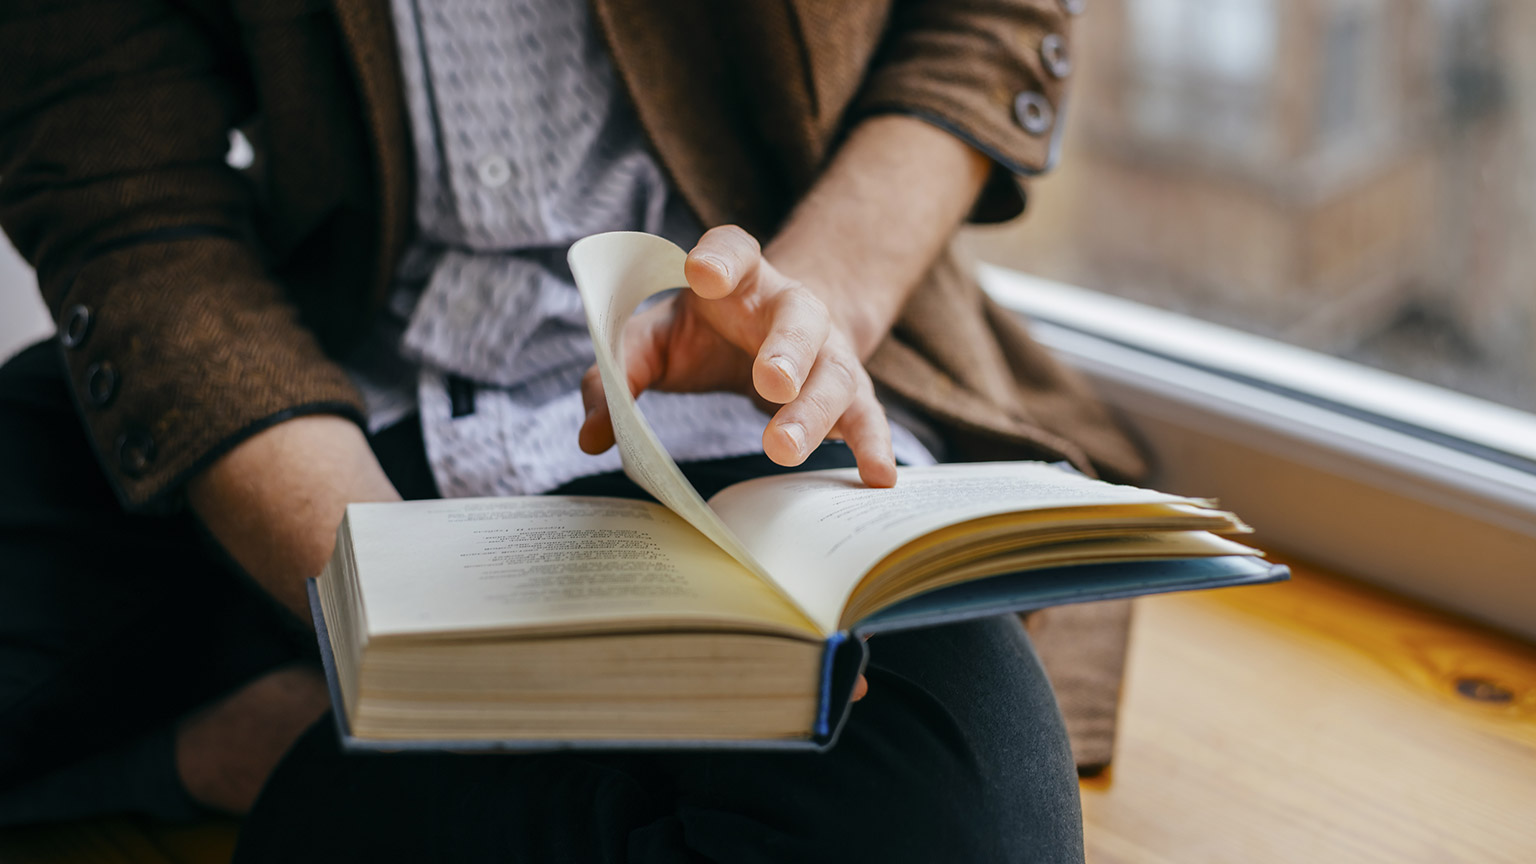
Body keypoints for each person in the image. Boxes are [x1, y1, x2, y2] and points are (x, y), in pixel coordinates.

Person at [0, 0, 1145, 860]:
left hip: (737, 395)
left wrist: (814, 304)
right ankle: (278, 748)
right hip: (312, 393)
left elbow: (981, 16)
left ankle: (310, 755)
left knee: (952, 812)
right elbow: (123, 185)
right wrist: (395, 616)